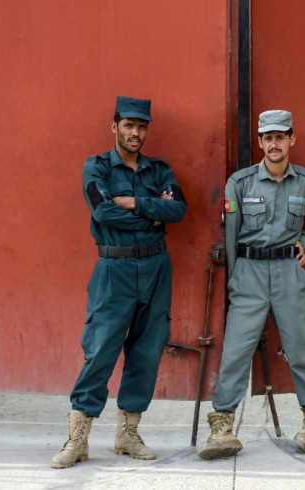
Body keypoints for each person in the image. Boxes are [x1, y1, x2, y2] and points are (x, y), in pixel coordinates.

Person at [51, 95, 187, 469]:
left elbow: (177, 209)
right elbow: (102, 211)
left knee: (147, 349)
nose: (135, 133)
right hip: (115, 270)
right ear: (115, 127)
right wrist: (150, 214)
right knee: (101, 350)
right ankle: (78, 438)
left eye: (141, 127)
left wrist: (133, 203)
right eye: (129, 125)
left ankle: (127, 434)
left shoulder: (159, 170)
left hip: (157, 269)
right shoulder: (96, 168)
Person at [198, 109, 305, 459]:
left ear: (292, 139)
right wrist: (235, 278)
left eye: (281, 136)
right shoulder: (240, 183)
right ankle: (222, 425)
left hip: (288, 271)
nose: (274, 144)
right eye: (268, 138)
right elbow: (230, 236)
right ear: (260, 142)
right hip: (249, 273)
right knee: (236, 350)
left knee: (299, 347)